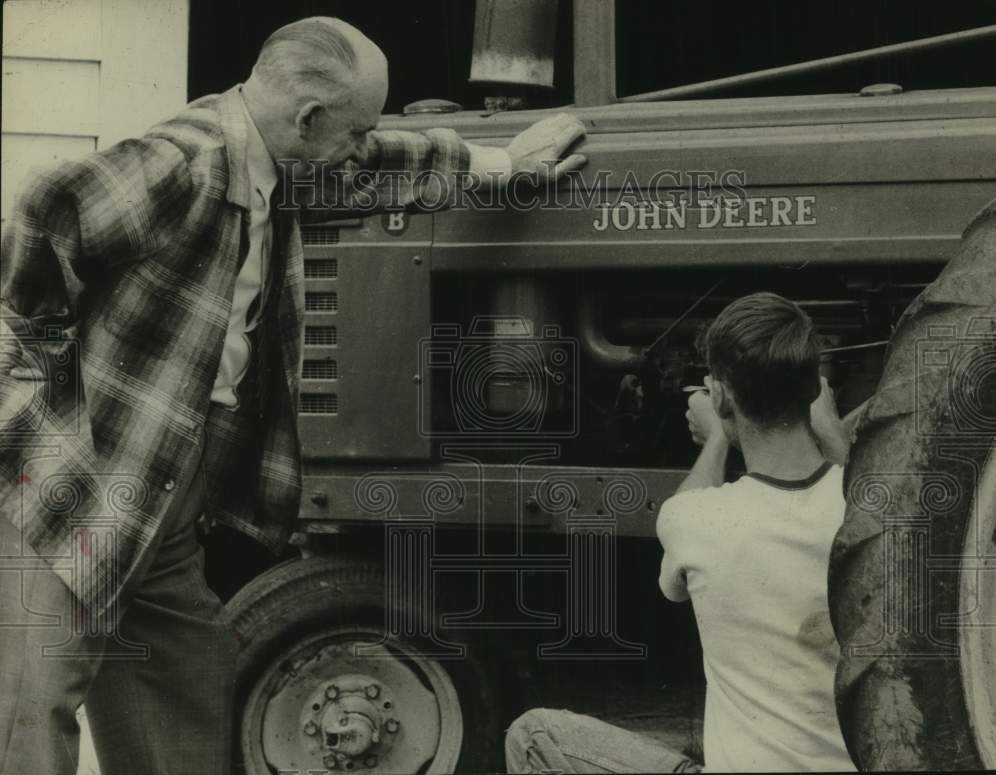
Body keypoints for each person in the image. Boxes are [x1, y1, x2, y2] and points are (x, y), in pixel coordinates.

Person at [0, 16, 586, 775]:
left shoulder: (281, 156)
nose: (360, 142)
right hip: (82, 479)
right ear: (309, 120)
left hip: (163, 482)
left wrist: (500, 161)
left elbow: (375, 164)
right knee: (32, 699)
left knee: (182, 675)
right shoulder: (187, 162)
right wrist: (42, 381)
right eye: (353, 128)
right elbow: (46, 211)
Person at [505, 292, 855, 773]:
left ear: (723, 395)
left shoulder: (696, 521)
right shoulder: (862, 512)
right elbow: (867, 496)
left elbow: (683, 510)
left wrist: (715, 438)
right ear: (815, 391)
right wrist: (834, 432)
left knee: (534, 734)